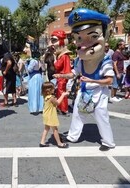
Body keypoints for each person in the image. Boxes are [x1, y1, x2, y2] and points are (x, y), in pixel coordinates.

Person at [56, 8, 116, 151]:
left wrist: (92, 81)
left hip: (99, 93)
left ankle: (108, 142)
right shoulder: (79, 61)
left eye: (93, 36)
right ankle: (73, 136)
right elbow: (74, 74)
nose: (84, 43)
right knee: (78, 113)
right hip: (84, 91)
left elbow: (109, 81)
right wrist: (62, 76)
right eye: (79, 38)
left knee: (101, 116)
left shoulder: (105, 61)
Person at [40, 81, 69, 148]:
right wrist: (63, 95)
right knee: (55, 129)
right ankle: (59, 143)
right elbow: (57, 103)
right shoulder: (51, 98)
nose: (54, 89)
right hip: (50, 115)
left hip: (46, 114)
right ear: (48, 90)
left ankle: (42, 142)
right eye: (53, 88)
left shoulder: (46, 96)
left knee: (46, 128)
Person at [50, 30, 72, 116]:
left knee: (62, 92)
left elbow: (58, 66)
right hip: (60, 77)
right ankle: (60, 108)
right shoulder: (61, 55)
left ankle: (64, 109)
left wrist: (55, 59)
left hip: (63, 77)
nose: (53, 43)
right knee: (59, 92)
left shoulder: (64, 56)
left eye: (54, 40)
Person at [23, 35, 44, 114]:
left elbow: (29, 70)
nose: (25, 50)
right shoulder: (37, 60)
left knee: (34, 93)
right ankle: (40, 107)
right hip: (38, 76)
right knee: (38, 92)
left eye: (27, 48)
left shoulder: (32, 61)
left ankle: (34, 108)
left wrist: (25, 64)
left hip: (33, 77)